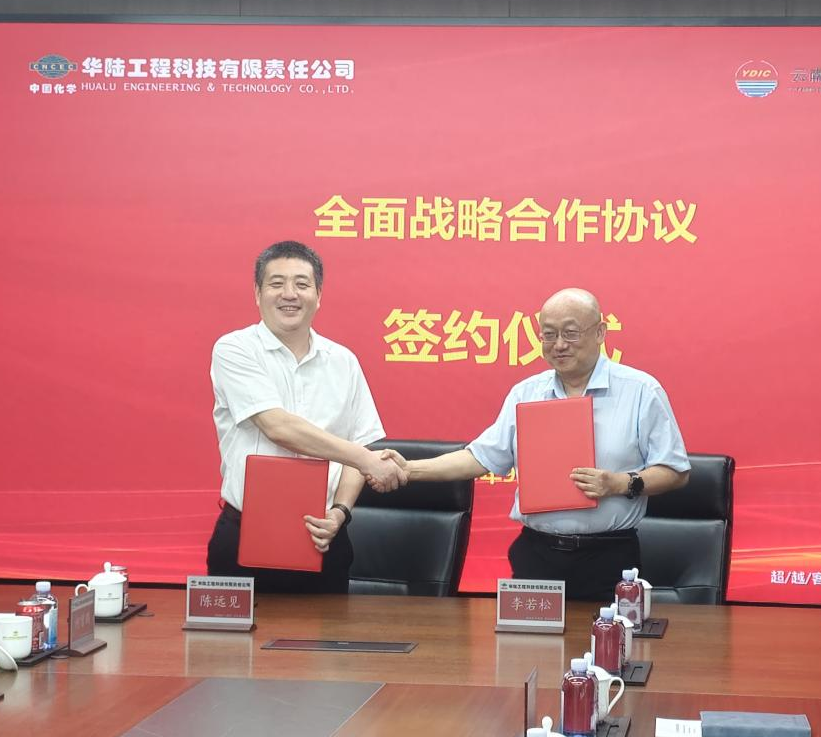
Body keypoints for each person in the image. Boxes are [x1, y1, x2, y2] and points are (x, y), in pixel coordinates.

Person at [401, 287, 690, 600]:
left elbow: (675, 471)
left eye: (570, 333)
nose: (559, 345)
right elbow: (480, 458)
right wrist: (407, 469)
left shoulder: (640, 390)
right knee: (527, 633)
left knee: (607, 631)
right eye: (549, 335)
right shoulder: (526, 393)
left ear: (600, 332)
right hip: (536, 556)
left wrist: (619, 483)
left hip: (609, 557)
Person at [206, 240, 406, 592]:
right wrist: (366, 460)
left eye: (302, 284)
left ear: (318, 295)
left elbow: (359, 444)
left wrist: (340, 512)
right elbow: (278, 427)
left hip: (323, 538)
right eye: (276, 283)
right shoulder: (235, 349)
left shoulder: (343, 361)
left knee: (326, 630)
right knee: (234, 631)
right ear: (257, 293)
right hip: (245, 536)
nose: (289, 294)